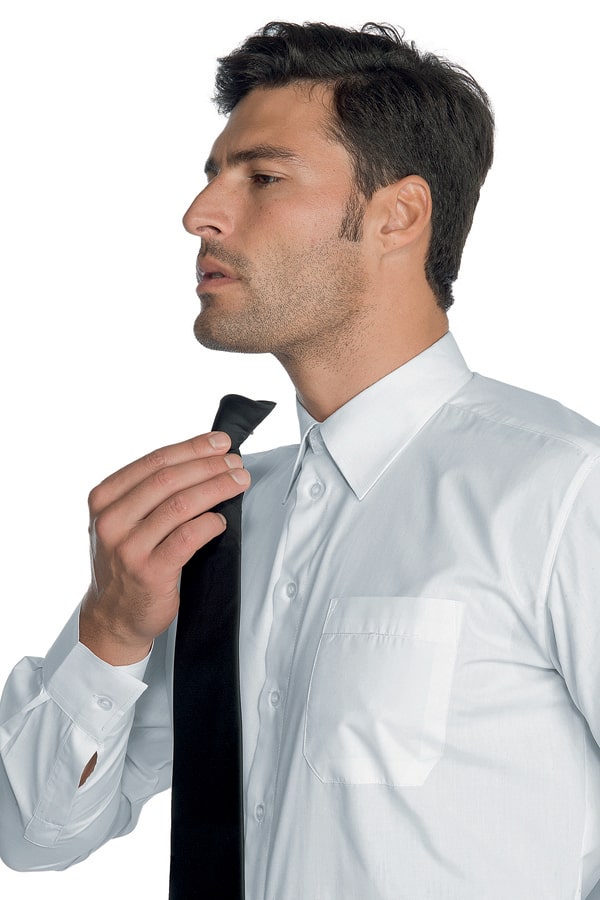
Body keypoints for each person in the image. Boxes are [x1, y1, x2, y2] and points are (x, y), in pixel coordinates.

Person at [1, 20, 599, 899]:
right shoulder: (219, 519)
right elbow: (32, 836)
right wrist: (112, 631)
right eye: (213, 174)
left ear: (398, 215)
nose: (199, 214)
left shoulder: (565, 490)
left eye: (263, 177)